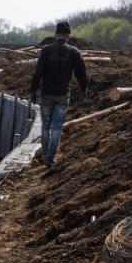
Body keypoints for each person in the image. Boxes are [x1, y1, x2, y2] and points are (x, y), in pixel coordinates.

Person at [29, 21, 90, 166]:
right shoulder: (73, 52)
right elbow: (83, 73)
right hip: (63, 95)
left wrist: (33, 90)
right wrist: (84, 88)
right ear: (68, 36)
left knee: (45, 126)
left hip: (46, 94)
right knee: (57, 127)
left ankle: (45, 153)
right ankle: (50, 156)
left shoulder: (46, 50)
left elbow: (38, 72)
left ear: (56, 35)